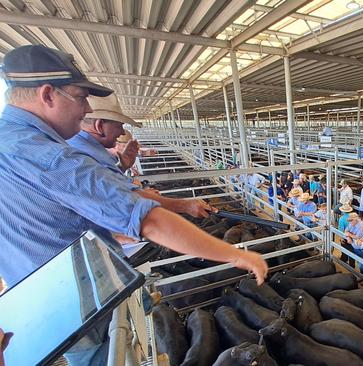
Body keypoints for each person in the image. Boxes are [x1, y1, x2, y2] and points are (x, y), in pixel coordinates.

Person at [0, 45, 267, 366]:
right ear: (47, 94)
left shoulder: (10, 143)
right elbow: (146, 219)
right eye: (81, 96)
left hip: (44, 308)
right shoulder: (52, 157)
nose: (85, 108)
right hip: (85, 307)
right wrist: (237, 255)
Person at [67, 95, 215, 218]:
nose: (122, 133)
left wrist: (122, 166)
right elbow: (119, 196)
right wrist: (186, 205)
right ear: (99, 126)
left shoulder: (88, 149)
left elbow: (105, 185)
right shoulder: (80, 156)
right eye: (119, 126)